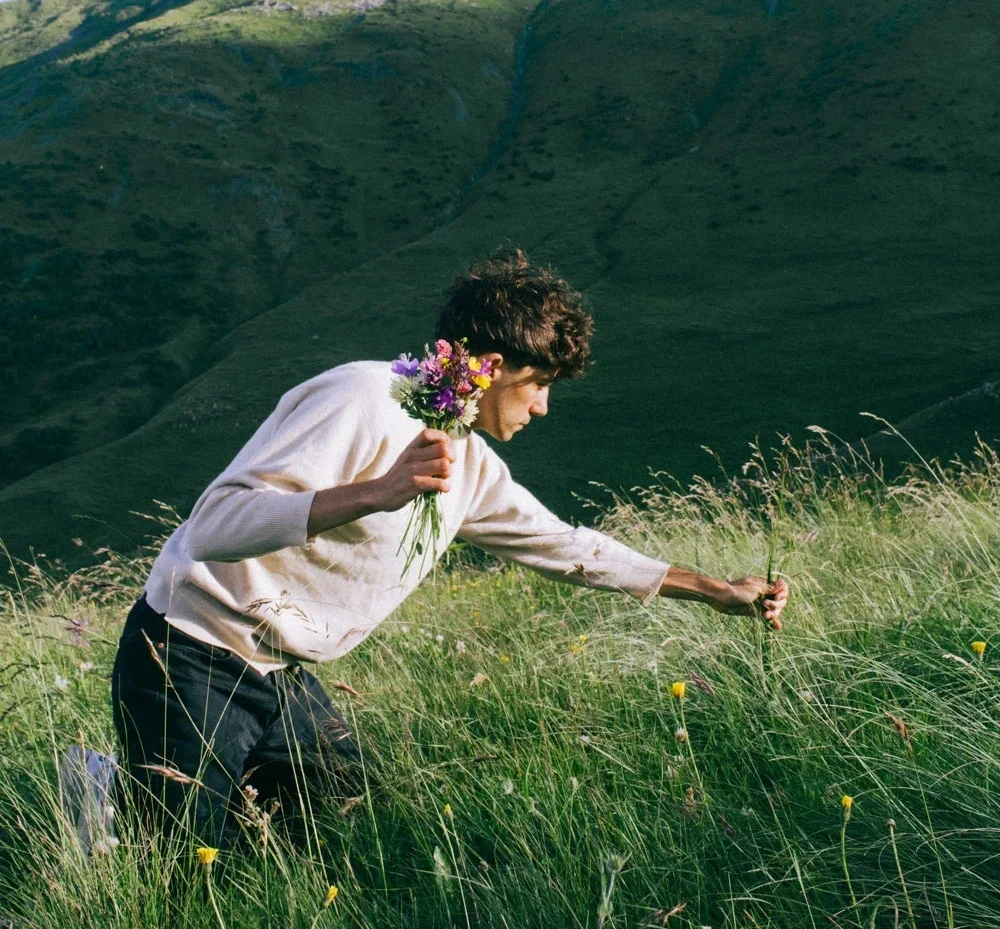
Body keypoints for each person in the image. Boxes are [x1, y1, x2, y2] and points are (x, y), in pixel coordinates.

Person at [111, 250, 789, 844]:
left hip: (282, 675)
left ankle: (134, 803)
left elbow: (563, 546)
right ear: (491, 368)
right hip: (189, 653)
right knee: (174, 870)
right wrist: (374, 493)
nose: (543, 409)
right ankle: (94, 803)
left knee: (350, 828)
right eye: (540, 385)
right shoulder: (364, 397)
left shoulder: (468, 464)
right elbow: (214, 527)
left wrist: (712, 591)